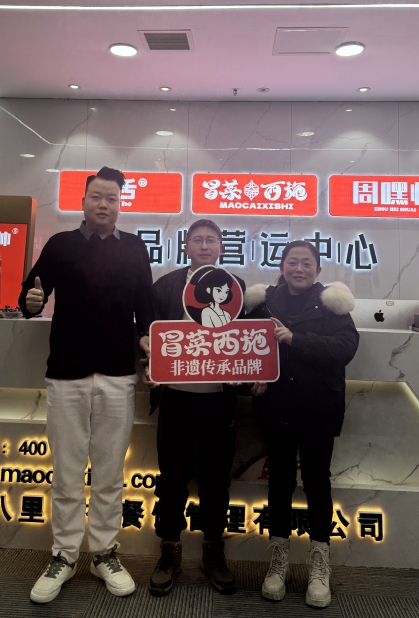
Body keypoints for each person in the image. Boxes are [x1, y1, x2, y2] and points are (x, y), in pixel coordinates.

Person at [19, 166, 154, 604]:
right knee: (67, 471)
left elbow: (146, 306)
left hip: (118, 373)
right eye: (96, 196)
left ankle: (104, 553)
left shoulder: (135, 248)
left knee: (110, 471)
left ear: (120, 204)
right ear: (83, 201)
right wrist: (31, 301)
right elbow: (30, 294)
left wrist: (148, 338)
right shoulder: (61, 244)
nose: (103, 204)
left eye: (111, 198)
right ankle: (63, 555)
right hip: (67, 372)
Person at [244, 240, 358, 609]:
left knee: (316, 482)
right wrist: (251, 378)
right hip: (276, 407)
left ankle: (319, 564)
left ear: (318, 270)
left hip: (317, 409)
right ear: (281, 267)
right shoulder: (262, 302)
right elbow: (241, 347)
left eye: (306, 263)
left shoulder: (332, 304)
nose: (299, 268)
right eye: (292, 262)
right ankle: (278, 561)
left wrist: (297, 339)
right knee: (278, 481)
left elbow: (345, 348)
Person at [140, 219, 246, 597]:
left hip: (219, 400)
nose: (204, 245)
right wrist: (148, 362)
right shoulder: (166, 285)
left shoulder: (236, 286)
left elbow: (246, 341)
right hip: (175, 398)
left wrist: (248, 373)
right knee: (172, 479)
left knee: (216, 480)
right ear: (186, 247)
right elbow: (146, 332)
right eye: (197, 240)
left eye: (210, 240)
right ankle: (169, 551)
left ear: (220, 247)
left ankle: (213, 552)